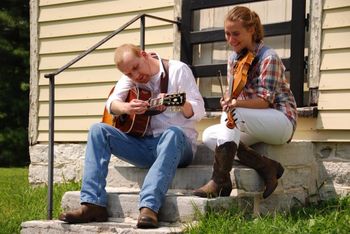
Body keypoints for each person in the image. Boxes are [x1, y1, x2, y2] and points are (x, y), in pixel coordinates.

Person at [58, 43, 206, 228]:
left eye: (136, 68)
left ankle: (149, 207)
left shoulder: (178, 70)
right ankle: (93, 204)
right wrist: (126, 108)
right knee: (98, 130)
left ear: (144, 55)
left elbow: (199, 111)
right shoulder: (131, 77)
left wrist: (179, 102)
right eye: (129, 74)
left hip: (177, 146)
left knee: (173, 132)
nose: (136, 76)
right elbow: (111, 104)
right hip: (145, 146)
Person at [193, 6, 297, 199]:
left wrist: (234, 104)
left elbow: (266, 101)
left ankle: (218, 180)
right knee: (209, 136)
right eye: (227, 34)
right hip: (252, 122)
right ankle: (267, 166)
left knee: (233, 113)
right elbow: (233, 94)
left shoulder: (269, 57)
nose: (231, 40)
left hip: (281, 121)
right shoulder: (233, 58)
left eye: (236, 34)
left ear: (251, 31)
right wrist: (228, 98)